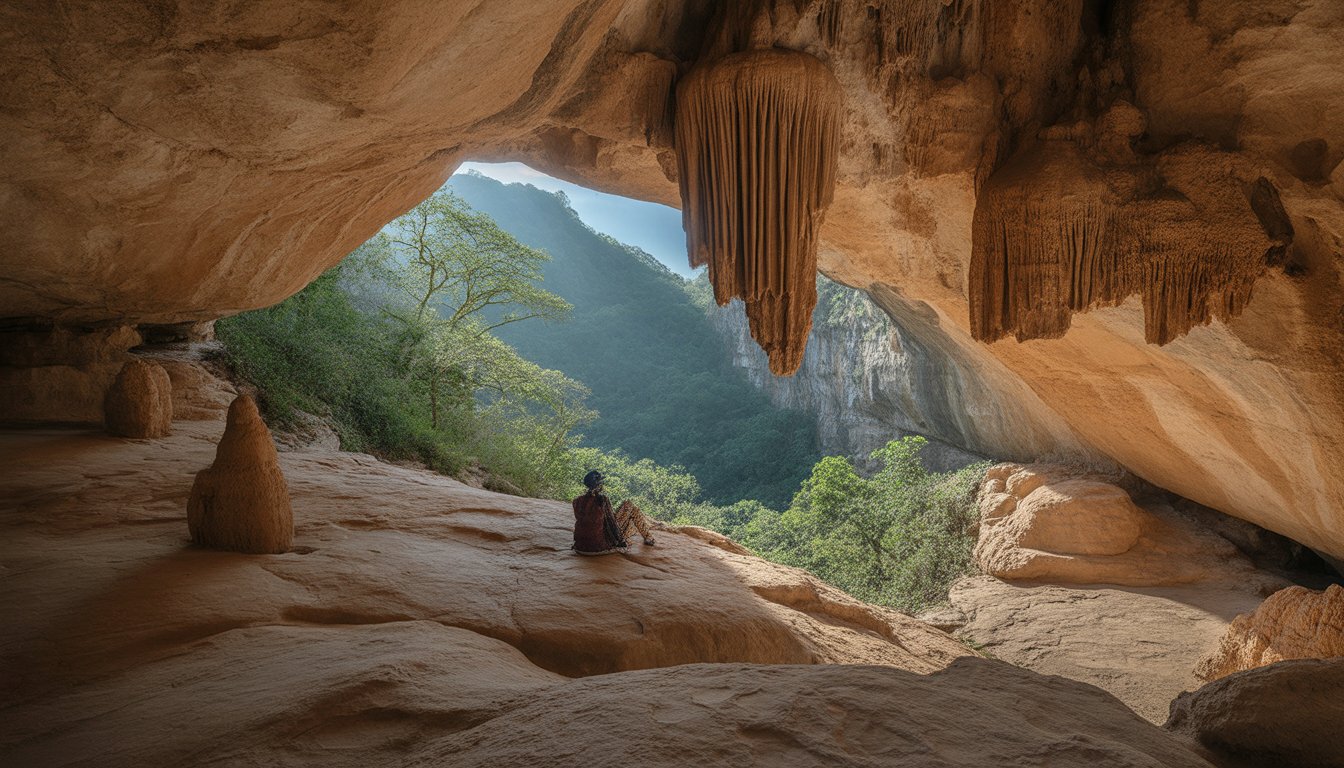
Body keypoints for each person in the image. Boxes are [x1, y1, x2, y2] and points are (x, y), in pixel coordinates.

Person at [572, 469, 655, 555]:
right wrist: (620, 542)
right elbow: (612, 524)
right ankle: (648, 537)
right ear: (599, 485)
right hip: (598, 547)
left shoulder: (577, 501)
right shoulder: (602, 500)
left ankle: (648, 536)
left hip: (580, 547)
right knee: (630, 506)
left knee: (627, 506)